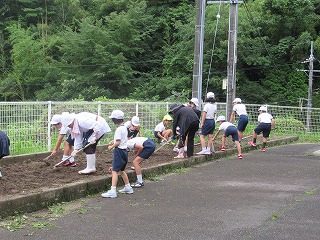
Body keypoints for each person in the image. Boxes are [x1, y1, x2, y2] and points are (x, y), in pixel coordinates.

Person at [101, 110, 133, 198]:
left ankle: (113, 190)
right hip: (124, 151)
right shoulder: (124, 128)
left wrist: (111, 147)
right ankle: (128, 187)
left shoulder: (119, 129)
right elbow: (121, 140)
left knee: (114, 171)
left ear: (115, 119)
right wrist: (114, 141)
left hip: (119, 151)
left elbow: (118, 143)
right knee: (122, 170)